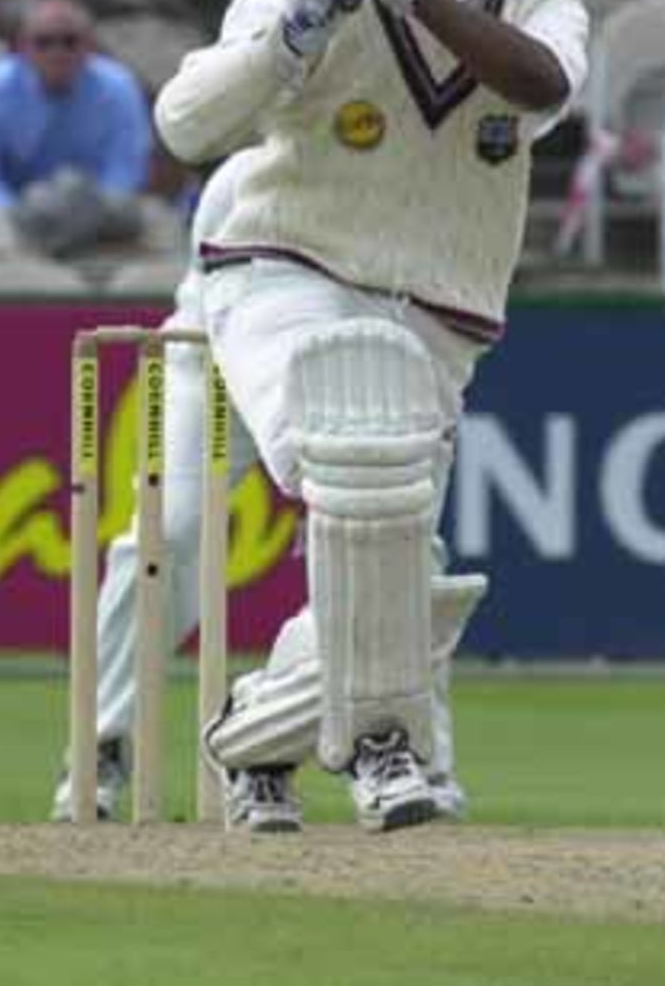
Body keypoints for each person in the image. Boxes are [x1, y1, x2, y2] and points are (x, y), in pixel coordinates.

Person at [155, 0, 587, 832]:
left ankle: (255, 734)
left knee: (396, 558)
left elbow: (534, 88)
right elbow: (183, 125)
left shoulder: (539, 3)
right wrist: (300, 21)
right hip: (281, 266)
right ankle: (387, 751)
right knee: (355, 463)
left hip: (434, 311)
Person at [49, 151, 486, 825]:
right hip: (210, 361)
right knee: (168, 534)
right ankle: (102, 745)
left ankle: (419, 759)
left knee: (394, 550)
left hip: (348, 369)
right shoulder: (249, 173)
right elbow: (237, 304)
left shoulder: (409, 178)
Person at [0, 0, 152, 256]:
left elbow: (125, 170)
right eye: (43, 42)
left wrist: (82, 216)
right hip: (12, 217)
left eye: (70, 42)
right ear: (22, 47)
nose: (57, 52)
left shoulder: (119, 88)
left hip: (99, 215)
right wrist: (19, 213)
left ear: (89, 46)